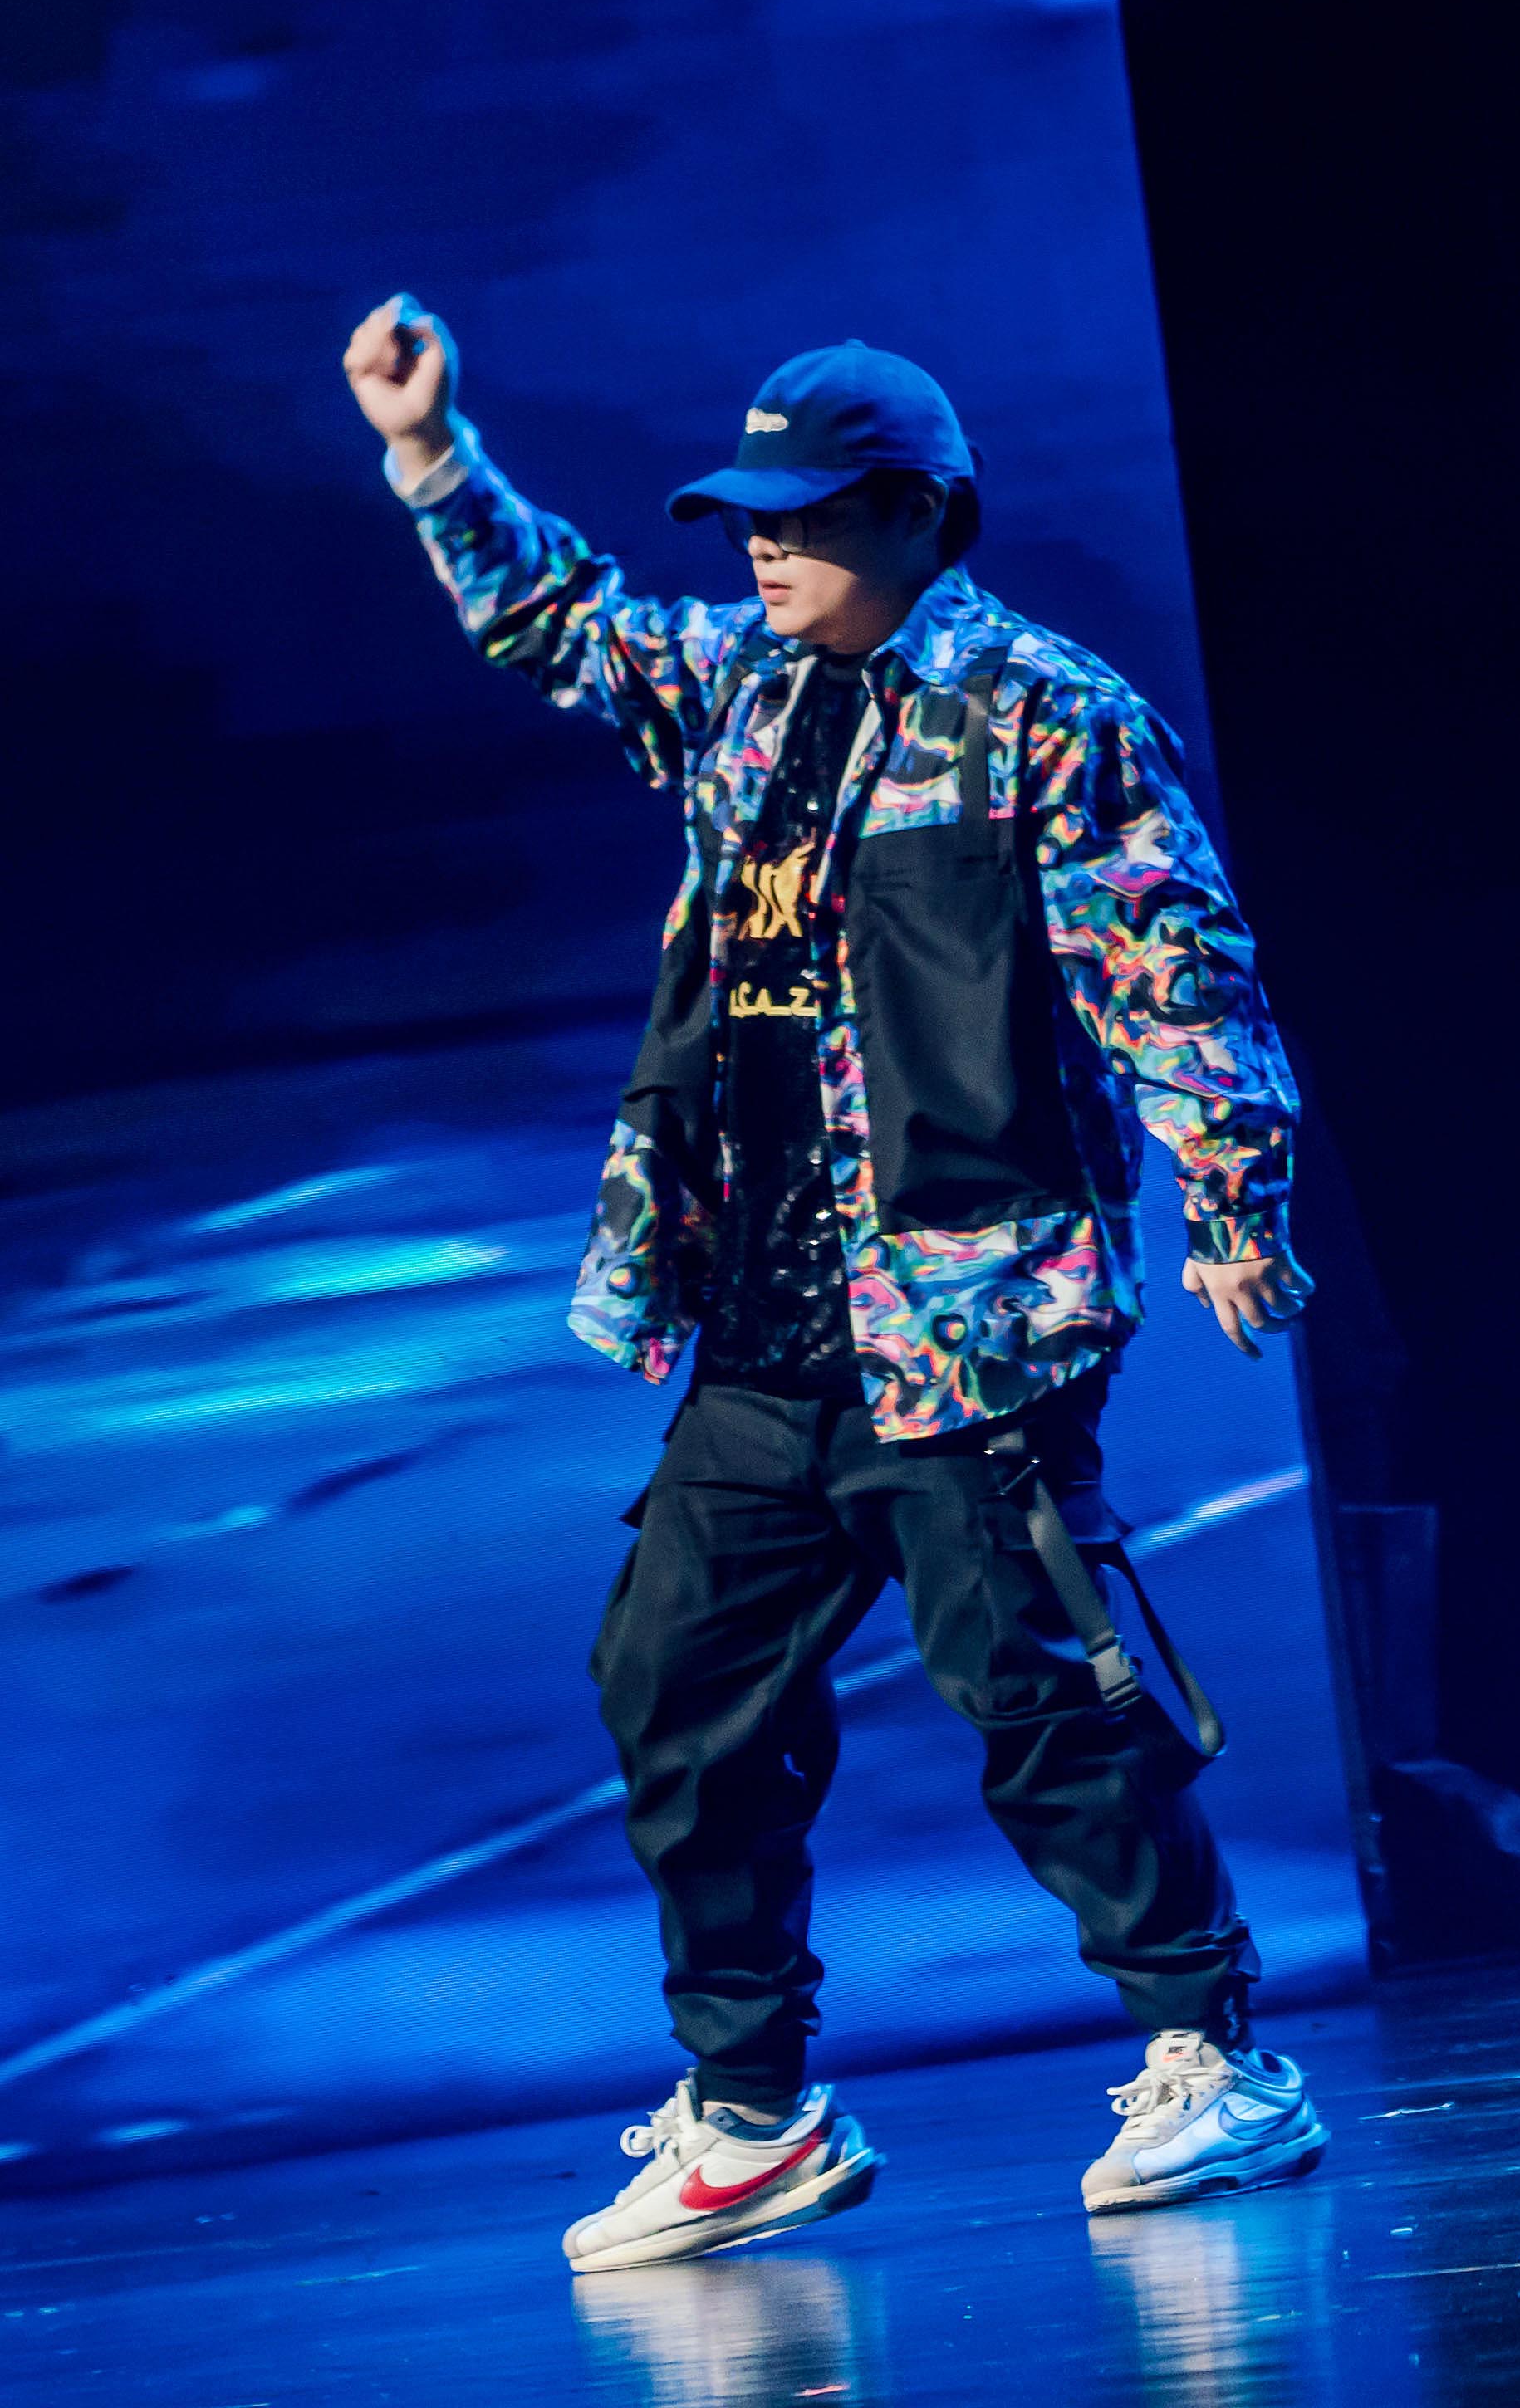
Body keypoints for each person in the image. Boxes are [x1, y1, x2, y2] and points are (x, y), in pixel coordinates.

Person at [341, 306, 1327, 2268]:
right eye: (749, 515)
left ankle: (1215, 2052)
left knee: (1040, 1691)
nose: (763, 544)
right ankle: (753, 2106)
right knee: (671, 1680)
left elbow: (1176, 969)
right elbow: (563, 623)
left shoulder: (1043, 708)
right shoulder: (739, 686)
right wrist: (433, 454)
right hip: (767, 1322)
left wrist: (1237, 1195)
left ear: (920, 512)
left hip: (968, 1318)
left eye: (803, 514)